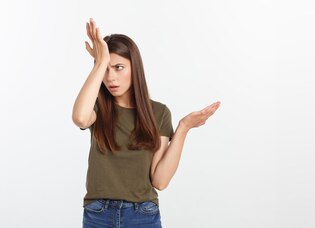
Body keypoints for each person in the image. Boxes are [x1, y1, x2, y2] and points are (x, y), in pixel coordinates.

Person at [72, 18, 220, 228]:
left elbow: (160, 181)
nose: (110, 78)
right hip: (98, 215)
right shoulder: (96, 107)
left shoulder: (158, 113)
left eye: (119, 67)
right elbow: (79, 117)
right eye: (105, 69)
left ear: (135, 67)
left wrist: (184, 127)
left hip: (142, 215)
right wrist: (99, 62)